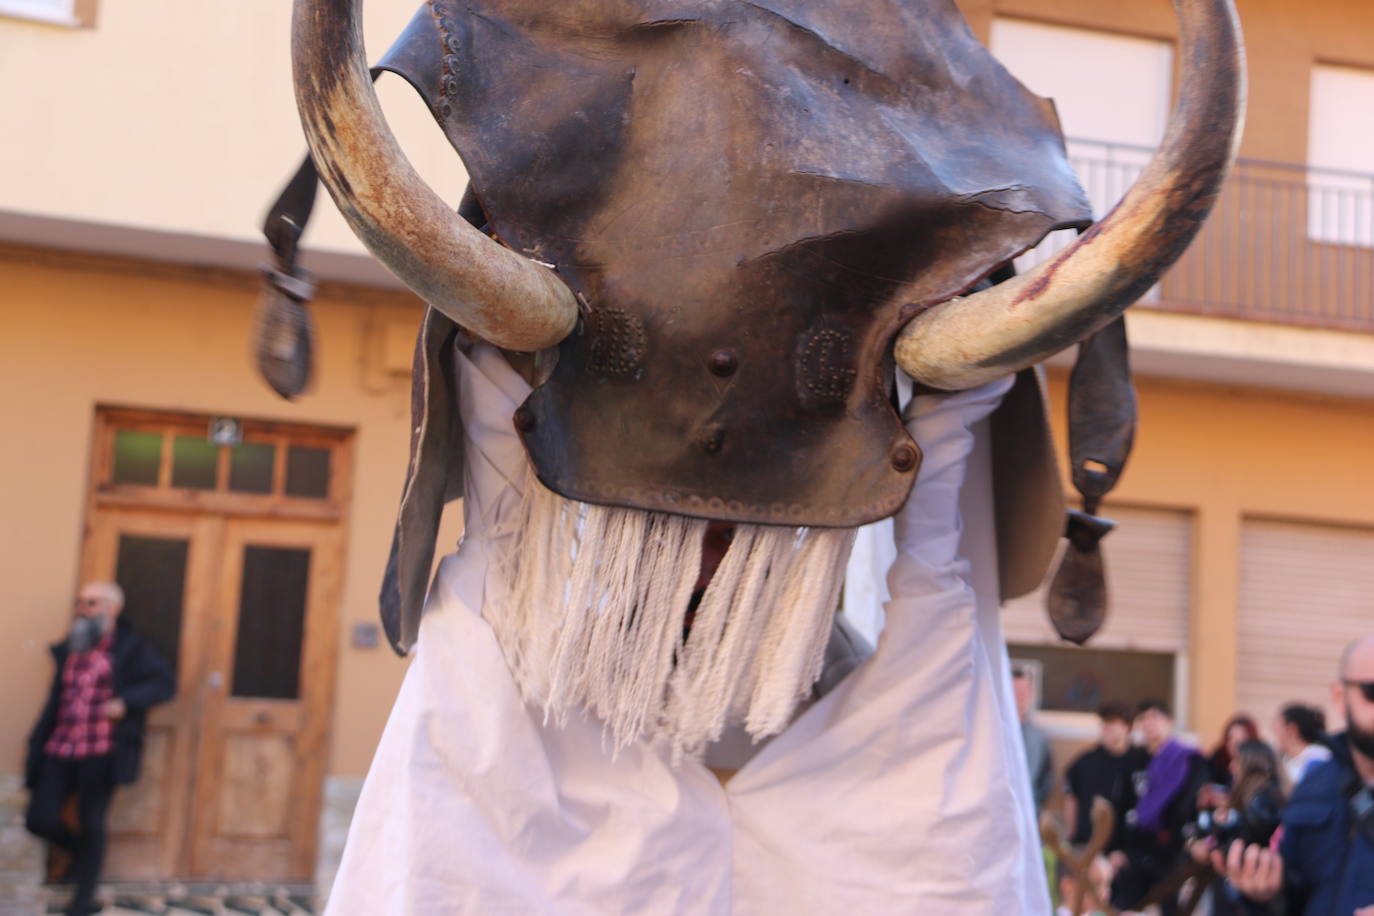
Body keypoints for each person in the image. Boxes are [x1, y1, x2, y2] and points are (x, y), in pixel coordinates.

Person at [25, 582, 175, 916]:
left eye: (91, 603)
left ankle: (83, 900)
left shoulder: (131, 648)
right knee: (39, 818)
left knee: (93, 822)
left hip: (102, 750)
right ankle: (76, 852)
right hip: (60, 746)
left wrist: (126, 702)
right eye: (80, 602)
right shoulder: (72, 647)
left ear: (112, 608)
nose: (82, 608)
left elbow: (163, 683)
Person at [1217, 635, 1374, 914]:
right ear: (1339, 697)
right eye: (1372, 692)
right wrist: (1262, 895)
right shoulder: (1315, 786)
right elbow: (1293, 896)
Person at [1112, 699, 1205, 915]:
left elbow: (1190, 806)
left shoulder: (1186, 759)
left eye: (1155, 717)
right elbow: (1121, 804)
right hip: (1135, 848)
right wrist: (1117, 848)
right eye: (1143, 718)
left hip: (1172, 850)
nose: (1149, 723)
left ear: (1169, 722)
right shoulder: (1134, 759)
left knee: (1172, 908)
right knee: (1127, 907)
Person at [1063, 701, 1150, 852]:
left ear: (1127, 727)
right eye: (1104, 723)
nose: (1106, 728)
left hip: (1124, 849)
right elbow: (1070, 794)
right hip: (1087, 845)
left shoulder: (1141, 761)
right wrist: (1071, 834)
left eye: (1112, 723)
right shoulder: (1087, 761)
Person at [1016, 667, 1055, 811]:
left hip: (1028, 812)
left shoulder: (1039, 737)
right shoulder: (993, 735)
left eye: (1023, 692)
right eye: (1015, 691)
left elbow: (1047, 778)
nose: (1020, 697)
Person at [1273, 703, 1331, 788]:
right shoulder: (1288, 761)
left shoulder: (1319, 757)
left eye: (1277, 726)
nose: (1273, 730)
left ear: (1292, 729)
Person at [1207, 714, 1262, 788]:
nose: (1233, 744)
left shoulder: (1258, 767)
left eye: (1240, 740)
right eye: (1231, 738)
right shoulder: (1217, 760)